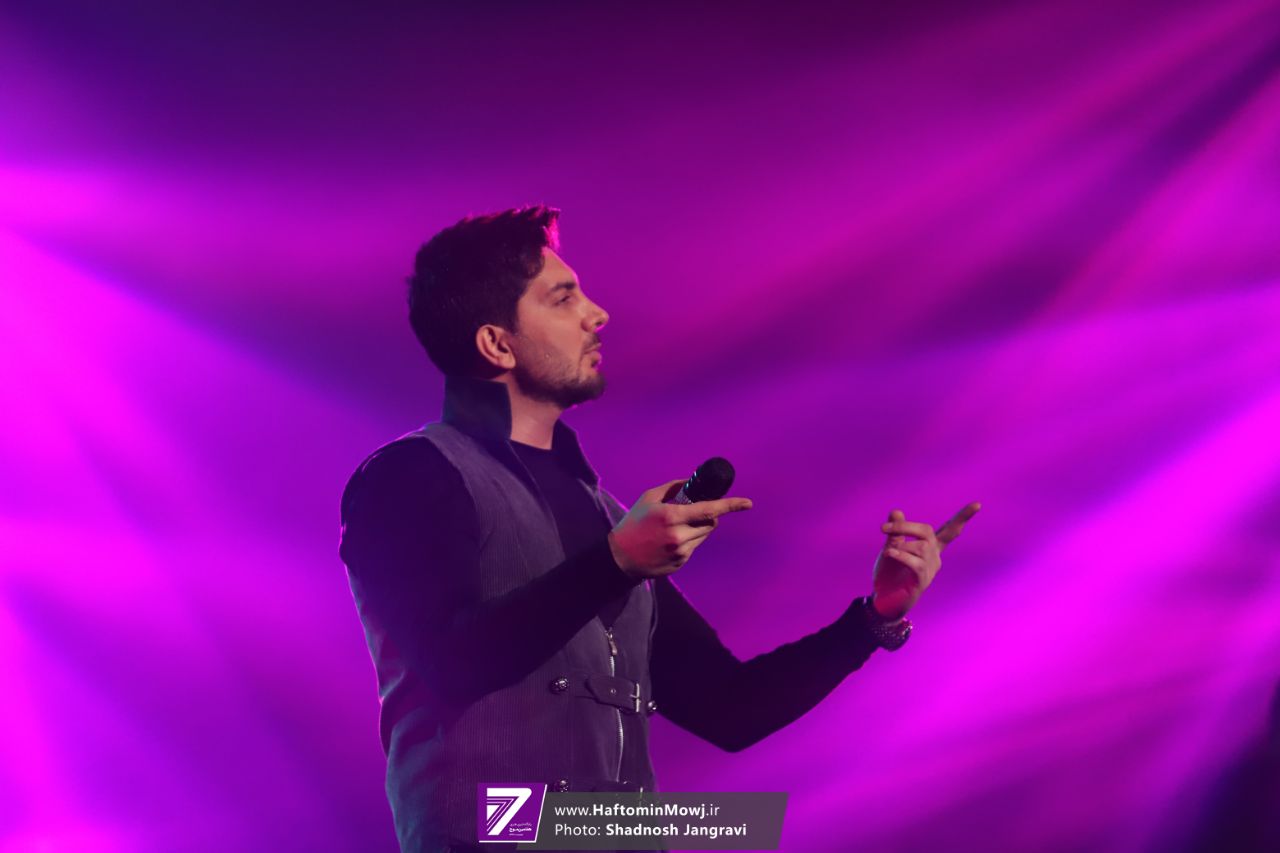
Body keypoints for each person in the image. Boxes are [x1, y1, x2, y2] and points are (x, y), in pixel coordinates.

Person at [338, 205, 980, 852]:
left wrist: (873, 619)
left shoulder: (605, 512)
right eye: (563, 298)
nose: (597, 314)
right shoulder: (409, 476)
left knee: (751, 828)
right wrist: (615, 563)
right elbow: (451, 663)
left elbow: (728, 707)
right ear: (497, 344)